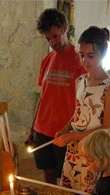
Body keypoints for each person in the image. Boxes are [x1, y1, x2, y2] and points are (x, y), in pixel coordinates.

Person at [54, 26, 110, 193]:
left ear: (103, 54)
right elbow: (78, 111)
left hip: (93, 151)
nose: (85, 61)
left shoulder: (109, 87)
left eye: (91, 56)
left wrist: (73, 136)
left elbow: (107, 129)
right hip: (74, 148)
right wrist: (65, 128)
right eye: (81, 55)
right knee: (71, 194)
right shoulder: (80, 80)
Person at [27, 8, 85, 184]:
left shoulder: (80, 60)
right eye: (48, 39)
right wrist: (33, 128)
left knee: (68, 178)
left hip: (66, 131)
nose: (52, 42)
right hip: (43, 129)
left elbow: (83, 101)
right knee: (49, 176)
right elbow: (43, 97)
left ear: (65, 28)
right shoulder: (46, 61)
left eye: (55, 36)